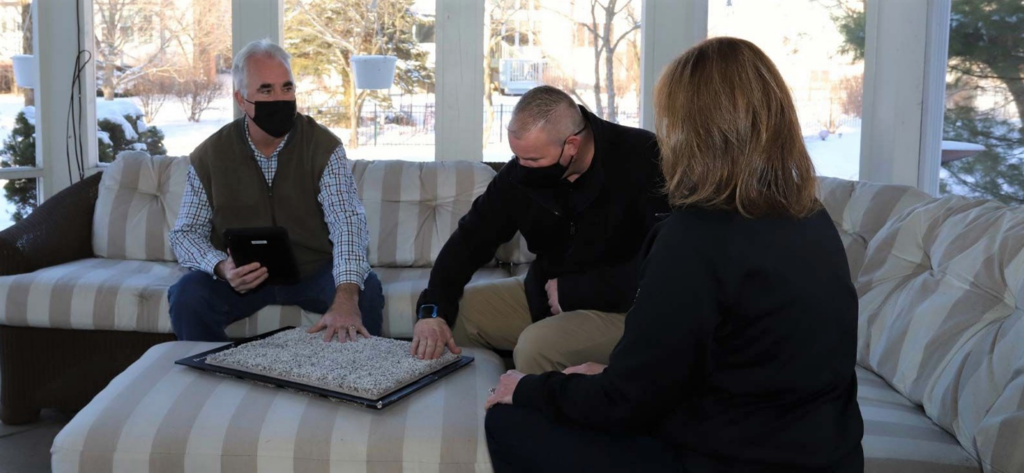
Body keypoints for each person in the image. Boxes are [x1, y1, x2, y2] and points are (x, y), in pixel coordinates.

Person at [484, 37, 865, 472]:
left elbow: (625, 403)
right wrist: (606, 378)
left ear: (689, 132)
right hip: (825, 453)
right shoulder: (811, 218)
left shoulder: (694, 237)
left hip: (733, 458)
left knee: (509, 420)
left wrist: (530, 388)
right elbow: (730, 366)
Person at [412, 85, 670, 374]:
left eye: (533, 160)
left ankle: (538, 413)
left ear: (571, 146)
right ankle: (478, 411)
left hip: (628, 311)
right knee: (452, 320)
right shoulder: (520, 174)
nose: (521, 168)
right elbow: (470, 240)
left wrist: (579, 291)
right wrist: (432, 310)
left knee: (536, 346)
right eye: (517, 157)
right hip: (544, 298)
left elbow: (670, 264)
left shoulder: (645, 158)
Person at [167, 39, 384, 343]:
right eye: (266, 90)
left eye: (287, 88)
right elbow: (185, 233)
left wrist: (346, 295)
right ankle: (212, 381)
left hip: (313, 272)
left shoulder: (322, 146)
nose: (280, 99)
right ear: (241, 99)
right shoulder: (210, 154)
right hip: (242, 278)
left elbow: (347, 222)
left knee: (367, 290)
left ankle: (361, 381)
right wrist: (221, 267)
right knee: (187, 294)